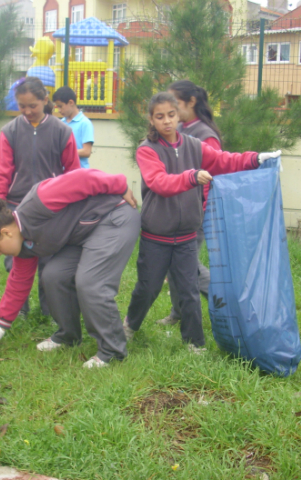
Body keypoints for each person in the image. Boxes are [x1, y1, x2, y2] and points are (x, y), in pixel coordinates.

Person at [123, 92, 281, 353]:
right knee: (147, 288)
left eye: (171, 115)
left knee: (188, 291)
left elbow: (223, 160)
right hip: (156, 236)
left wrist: (256, 158)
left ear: (178, 115)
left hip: (186, 235)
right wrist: (191, 176)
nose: (167, 122)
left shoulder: (193, 145)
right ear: (151, 120)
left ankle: (194, 343)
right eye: (159, 117)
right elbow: (158, 182)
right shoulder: (147, 150)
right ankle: (130, 326)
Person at [0, 168, 140, 368]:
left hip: (114, 216)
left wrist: (121, 186)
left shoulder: (39, 201)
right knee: (53, 276)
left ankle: (112, 350)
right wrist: (1, 326)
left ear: (6, 233)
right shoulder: (24, 244)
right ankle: (68, 335)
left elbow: (84, 178)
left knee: (90, 282)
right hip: (84, 233)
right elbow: (18, 281)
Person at [0, 77, 80, 317]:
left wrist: (72, 207)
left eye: (33, 106)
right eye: (22, 106)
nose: (28, 111)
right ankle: (19, 309)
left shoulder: (62, 132)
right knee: (14, 261)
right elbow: (2, 173)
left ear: (45, 100)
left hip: (50, 209)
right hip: (15, 207)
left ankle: (49, 311)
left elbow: (73, 173)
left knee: (47, 261)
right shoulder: (9, 131)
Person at [156, 80, 222, 326]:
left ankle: (224, 298)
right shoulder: (181, 129)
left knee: (187, 264)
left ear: (191, 102)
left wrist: (200, 209)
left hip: (196, 211)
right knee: (175, 264)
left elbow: (213, 173)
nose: (169, 111)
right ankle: (179, 312)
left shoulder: (205, 135)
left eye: (175, 104)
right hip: (176, 209)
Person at [52, 86, 95, 169]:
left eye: (60, 106)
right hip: (63, 173)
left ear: (71, 102)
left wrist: (64, 153)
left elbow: (86, 151)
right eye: (57, 107)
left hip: (80, 173)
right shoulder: (60, 123)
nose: (59, 110)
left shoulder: (85, 123)